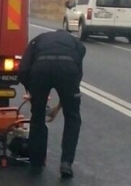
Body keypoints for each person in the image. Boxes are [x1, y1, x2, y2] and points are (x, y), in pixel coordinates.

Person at [18, 29, 86, 177]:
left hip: (41, 69)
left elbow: (23, 70)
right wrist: (60, 107)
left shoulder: (38, 40)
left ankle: (36, 161)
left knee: (37, 116)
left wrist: (32, 95)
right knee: (72, 116)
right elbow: (76, 76)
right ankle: (66, 164)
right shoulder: (75, 43)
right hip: (68, 69)